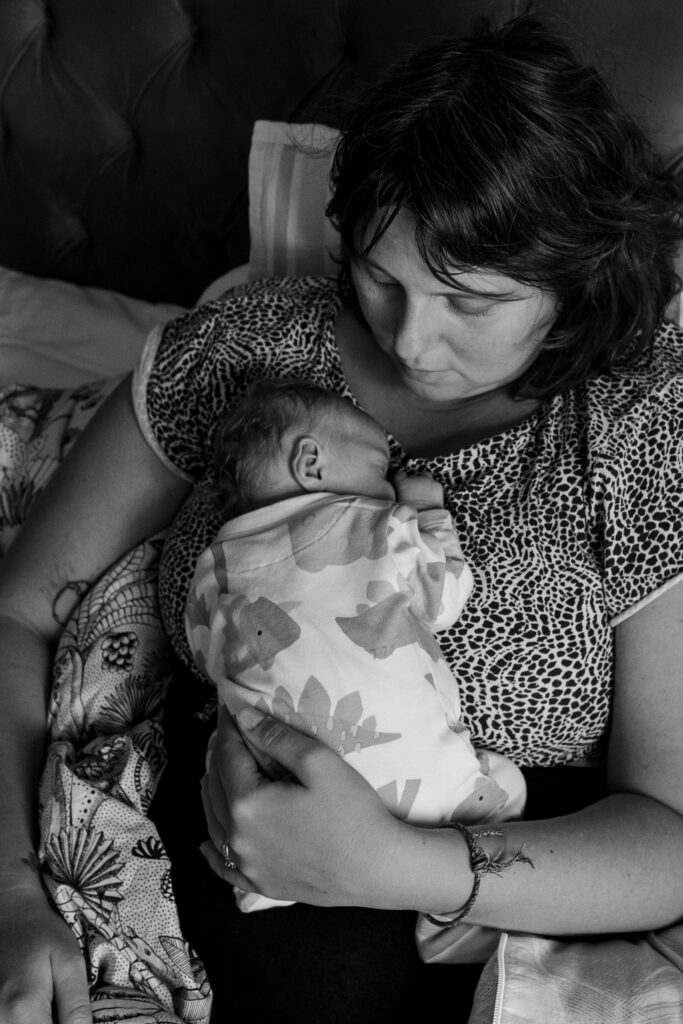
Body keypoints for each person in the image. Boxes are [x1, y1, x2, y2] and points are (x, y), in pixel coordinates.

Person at [0, 13, 682, 1024]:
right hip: (211, 846)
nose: (412, 341)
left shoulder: (635, 424)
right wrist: (14, 895)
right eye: (380, 277)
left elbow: (668, 834)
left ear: (568, 280)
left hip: (502, 871)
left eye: (468, 300)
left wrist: (400, 866)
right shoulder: (244, 350)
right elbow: (20, 616)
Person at [184, 376, 525, 959]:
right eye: (377, 465)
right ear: (311, 462)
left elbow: (207, 657)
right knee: (506, 788)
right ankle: (453, 921)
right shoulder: (377, 524)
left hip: (277, 815)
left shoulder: (212, 566)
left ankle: (264, 895)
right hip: (426, 790)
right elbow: (444, 600)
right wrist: (427, 514)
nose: (388, 481)